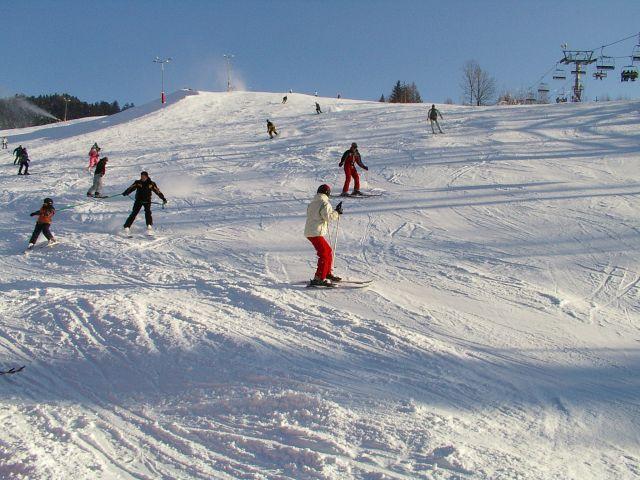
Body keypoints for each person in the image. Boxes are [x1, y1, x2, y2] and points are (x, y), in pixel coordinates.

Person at [305, 184, 343, 287]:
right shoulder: (324, 203)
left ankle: (327, 273)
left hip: (311, 231)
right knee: (324, 253)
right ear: (328, 193)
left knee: (328, 251)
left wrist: (334, 212)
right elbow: (328, 217)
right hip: (315, 232)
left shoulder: (313, 203)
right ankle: (319, 277)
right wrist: (337, 212)